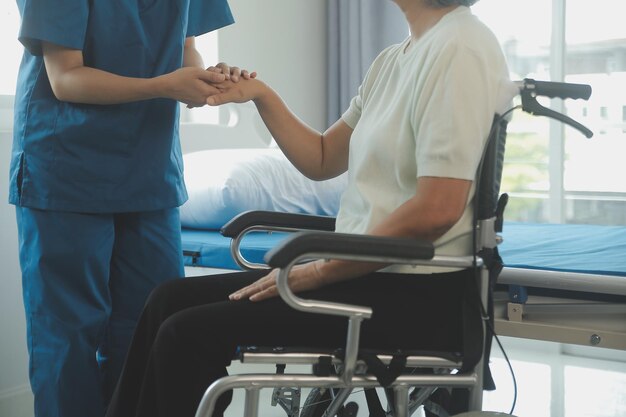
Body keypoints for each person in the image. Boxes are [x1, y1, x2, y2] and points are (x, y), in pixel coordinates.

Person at [105, 0, 513, 416]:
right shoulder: (394, 59)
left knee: (184, 333)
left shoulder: (461, 46)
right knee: (166, 300)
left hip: (417, 293)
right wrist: (260, 96)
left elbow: (438, 209)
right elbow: (322, 158)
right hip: (367, 277)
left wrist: (318, 270)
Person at [8, 1, 254, 417]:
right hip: (66, 167)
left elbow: (184, 47)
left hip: (149, 172)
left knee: (151, 331)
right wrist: (164, 85)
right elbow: (66, 78)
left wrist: (202, 81)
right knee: (69, 339)